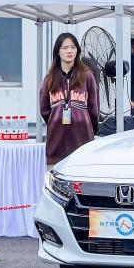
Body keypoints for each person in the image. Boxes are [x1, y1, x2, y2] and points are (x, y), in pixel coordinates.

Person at [39, 33, 100, 168]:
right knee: (55, 181)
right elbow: (44, 110)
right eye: (65, 47)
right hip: (56, 142)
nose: (69, 51)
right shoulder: (49, 79)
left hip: (82, 139)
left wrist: (89, 127)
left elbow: (94, 109)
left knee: (82, 182)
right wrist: (56, 120)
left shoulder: (87, 76)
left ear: (77, 50)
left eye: (73, 47)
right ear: (58, 51)